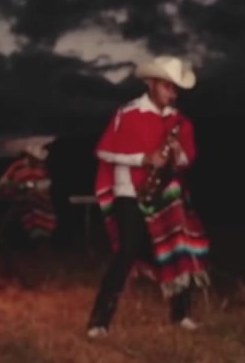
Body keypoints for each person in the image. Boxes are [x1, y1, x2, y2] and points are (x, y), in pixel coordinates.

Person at [85, 56, 208, 338]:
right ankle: (99, 321)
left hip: (167, 195)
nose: (172, 94)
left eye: (175, 89)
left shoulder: (179, 121)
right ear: (151, 83)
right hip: (129, 191)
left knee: (179, 247)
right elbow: (104, 151)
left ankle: (181, 315)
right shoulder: (127, 113)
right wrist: (143, 158)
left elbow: (187, 160)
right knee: (127, 252)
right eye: (167, 87)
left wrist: (177, 152)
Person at [0, 143, 55, 244]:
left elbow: (47, 183)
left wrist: (36, 187)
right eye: (35, 158)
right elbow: (3, 182)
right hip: (17, 196)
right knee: (23, 207)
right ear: (29, 156)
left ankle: (41, 236)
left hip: (38, 197)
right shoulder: (17, 166)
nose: (37, 161)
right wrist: (18, 186)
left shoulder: (42, 167)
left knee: (41, 206)